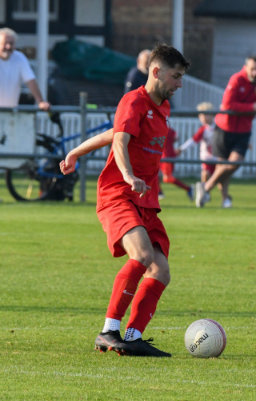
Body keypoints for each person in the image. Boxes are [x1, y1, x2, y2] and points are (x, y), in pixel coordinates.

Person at [59, 44, 189, 357]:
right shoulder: (133, 100)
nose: (179, 84)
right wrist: (129, 175)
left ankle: (132, 336)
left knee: (161, 271)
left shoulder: (162, 108)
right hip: (118, 194)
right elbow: (120, 139)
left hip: (145, 201)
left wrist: (76, 151)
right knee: (142, 254)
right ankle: (108, 331)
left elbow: (114, 131)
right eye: (176, 76)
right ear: (156, 72)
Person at [0, 27, 50, 203]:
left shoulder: (19, 58)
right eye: (5, 43)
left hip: (6, 113)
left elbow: (30, 80)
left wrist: (40, 101)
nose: (8, 47)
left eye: (11, 43)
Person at [194, 55, 256, 208]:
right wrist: (251, 107)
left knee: (233, 164)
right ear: (246, 68)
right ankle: (225, 200)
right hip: (224, 128)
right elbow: (227, 105)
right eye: (253, 69)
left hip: (244, 129)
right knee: (222, 166)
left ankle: (205, 188)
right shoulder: (236, 79)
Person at [180, 102, 219, 190]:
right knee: (205, 175)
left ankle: (224, 196)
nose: (203, 118)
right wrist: (182, 149)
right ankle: (203, 192)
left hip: (218, 158)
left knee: (219, 179)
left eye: (206, 115)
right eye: (201, 115)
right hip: (207, 158)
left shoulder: (219, 128)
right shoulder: (203, 129)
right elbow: (193, 140)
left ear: (212, 115)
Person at [158, 126, 193, 201]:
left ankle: (188, 188)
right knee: (154, 175)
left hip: (167, 156)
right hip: (162, 155)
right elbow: (176, 138)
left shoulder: (161, 128)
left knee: (167, 178)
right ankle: (159, 192)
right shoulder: (170, 130)